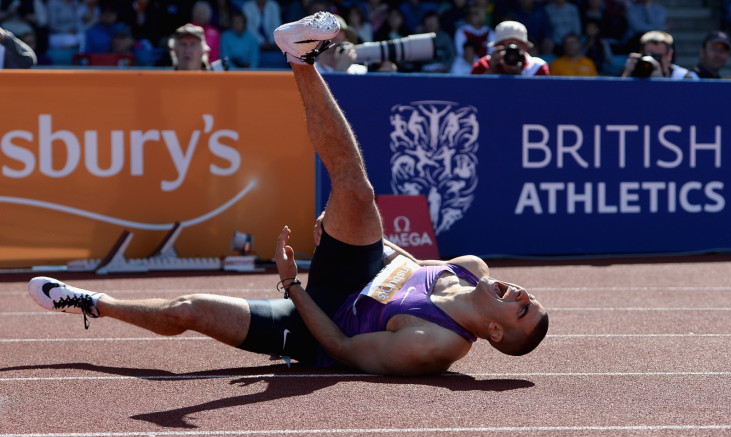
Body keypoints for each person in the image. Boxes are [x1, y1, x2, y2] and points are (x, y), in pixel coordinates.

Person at [28, 11, 548, 377]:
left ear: (497, 335)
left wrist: (292, 284)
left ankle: (92, 303)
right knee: (359, 194)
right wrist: (351, 238)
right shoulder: (472, 267)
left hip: (315, 322)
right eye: (529, 297)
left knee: (187, 310)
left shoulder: (432, 347)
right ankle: (302, 58)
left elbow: (343, 349)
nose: (520, 294)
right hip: (363, 268)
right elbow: (407, 266)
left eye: (521, 310)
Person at [471, 20, 549, 76]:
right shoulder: (483, 65)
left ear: (525, 47)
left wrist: (518, 74)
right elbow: (471, 93)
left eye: (514, 45)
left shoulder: (537, 67)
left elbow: (541, 97)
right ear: (496, 47)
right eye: (503, 45)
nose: (509, 50)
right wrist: (491, 69)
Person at [621, 30, 696, 79]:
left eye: (659, 56)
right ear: (641, 54)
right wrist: (626, 75)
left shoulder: (683, 77)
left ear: (669, 55)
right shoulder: (631, 70)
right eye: (650, 55)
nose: (654, 61)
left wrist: (660, 81)